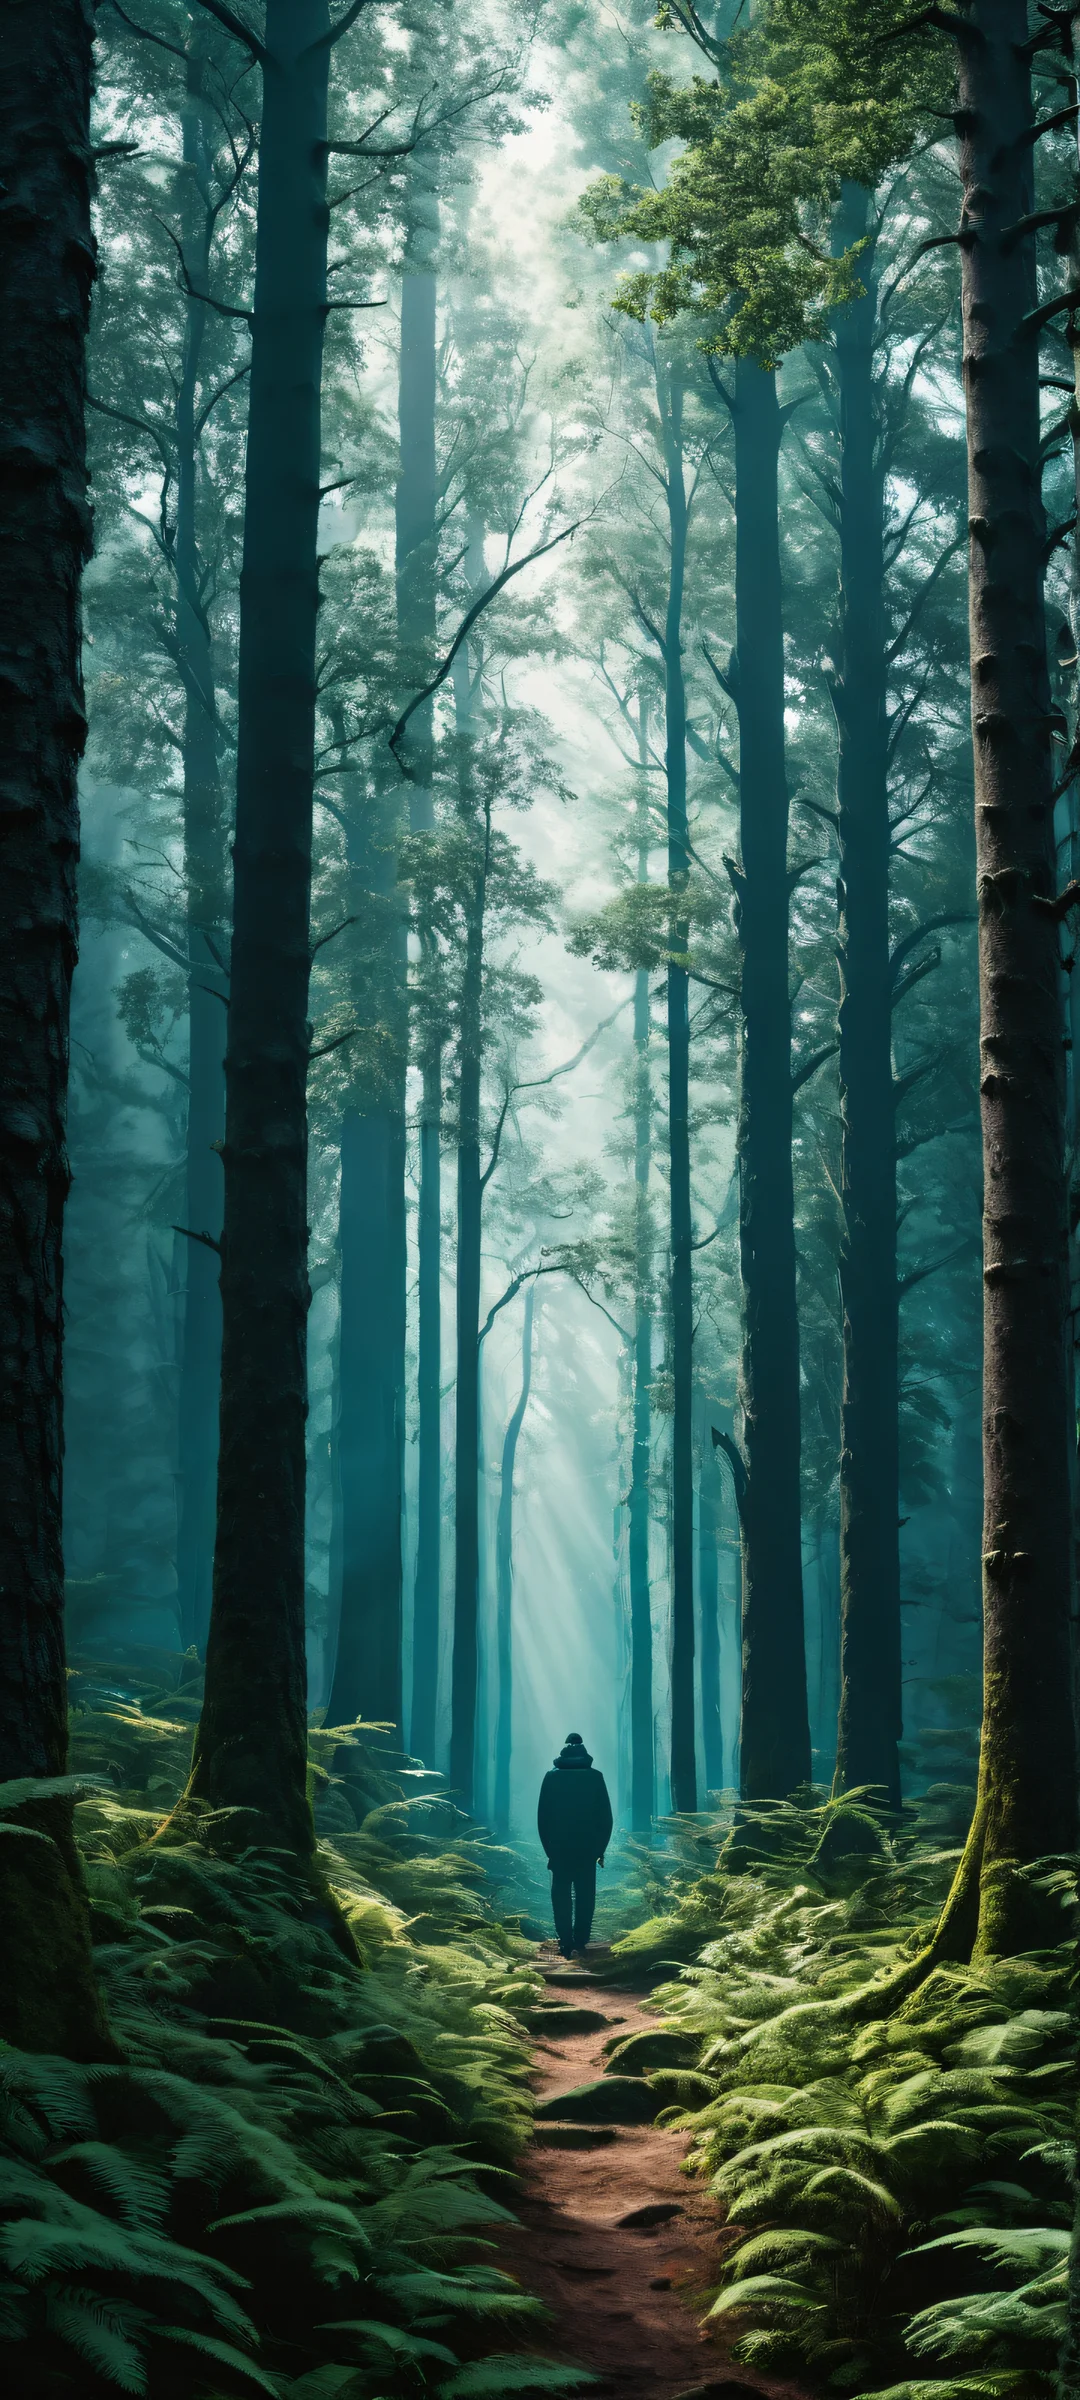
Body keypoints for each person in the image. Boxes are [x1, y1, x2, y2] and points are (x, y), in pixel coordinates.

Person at [537, 1732, 614, 1959]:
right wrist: (600, 1850)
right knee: (585, 1895)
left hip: (559, 1848)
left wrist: (548, 1850)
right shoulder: (596, 1777)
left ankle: (565, 1941)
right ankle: (581, 1941)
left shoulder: (551, 1778)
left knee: (560, 1895)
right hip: (587, 1848)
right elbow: (606, 1818)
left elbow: (543, 1818)